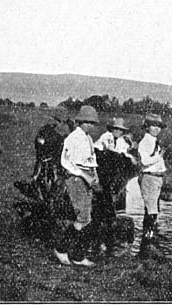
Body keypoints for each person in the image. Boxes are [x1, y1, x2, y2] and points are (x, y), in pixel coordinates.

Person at [54, 105, 101, 267]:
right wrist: (84, 175)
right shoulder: (73, 138)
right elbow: (66, 162)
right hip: (76, 178)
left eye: (92, 123)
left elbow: (91, 160)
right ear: (80, 122)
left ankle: (78, 255)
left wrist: (95, 177)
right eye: (86, 122)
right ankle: (61, 249)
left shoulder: (88, 139)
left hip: (87, 177)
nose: (90, 125)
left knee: (86, 217)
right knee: (82, 217)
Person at [138, 113, 167, 246]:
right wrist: (159, 156)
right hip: (150, 177)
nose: (156, 129)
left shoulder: (153, 141)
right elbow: (144, 161)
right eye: (153, 126)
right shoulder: (146, 141)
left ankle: (148, 235)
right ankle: (148, 238)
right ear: (147, 127)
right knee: (152, 209)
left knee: (152, 208)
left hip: (156, 177)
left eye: (159, 126)